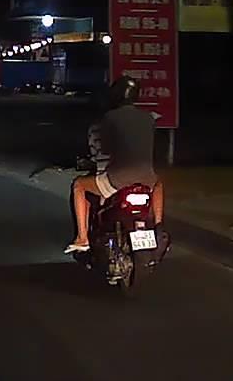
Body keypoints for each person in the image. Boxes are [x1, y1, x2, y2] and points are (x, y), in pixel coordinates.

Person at [66, 75, 164, 253]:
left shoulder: (110, 117)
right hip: (147, 178)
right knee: (158, 184)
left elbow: (105, 148)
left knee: (79, 185)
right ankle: (159, 226)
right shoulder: (149, 118)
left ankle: (82, 237)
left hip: (118, 178)